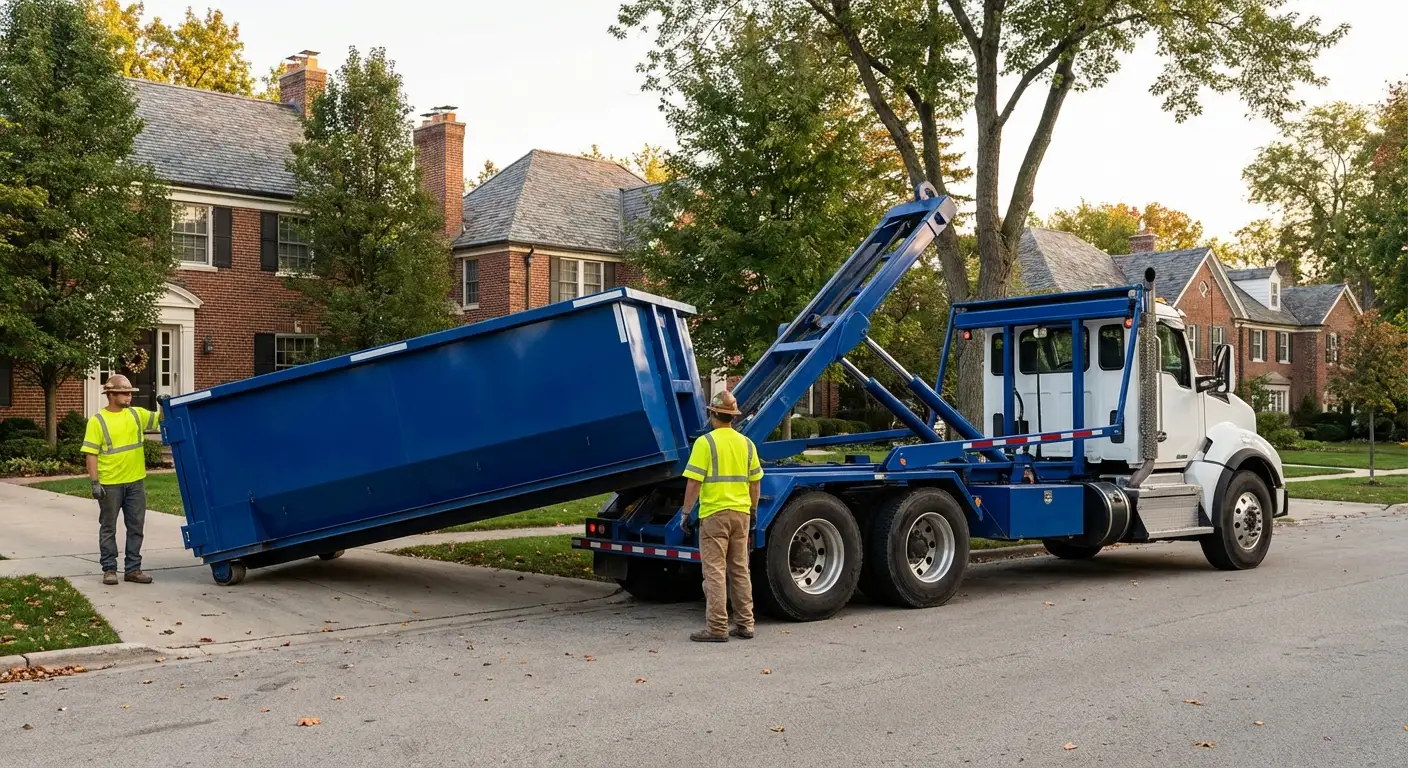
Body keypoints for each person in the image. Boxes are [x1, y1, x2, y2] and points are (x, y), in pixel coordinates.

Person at [679, 390, 763, 642]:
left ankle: (717, 628)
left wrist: (685, 513)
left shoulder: (705, 443)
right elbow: (755, 483)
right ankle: (746, 624)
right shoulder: (747, 444)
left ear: (713, 414)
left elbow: (693, 483)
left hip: (714, 515)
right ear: (733, 418)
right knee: (739, 570)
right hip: (741, 515)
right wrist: (753, 510)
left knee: (715, 571)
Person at [80, 374, 162, 586]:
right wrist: (95, 482)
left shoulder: (136, 414)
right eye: (125, 393)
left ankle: (133, 569)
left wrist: (165, 405)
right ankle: (109, 569)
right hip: (110, 484)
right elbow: (91, 454)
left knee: (136, 526)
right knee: (108, 527)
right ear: (111, 394)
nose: (129, 397)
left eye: (130, 393)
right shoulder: (97, 421)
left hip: (135, 482)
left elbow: (161, 418)